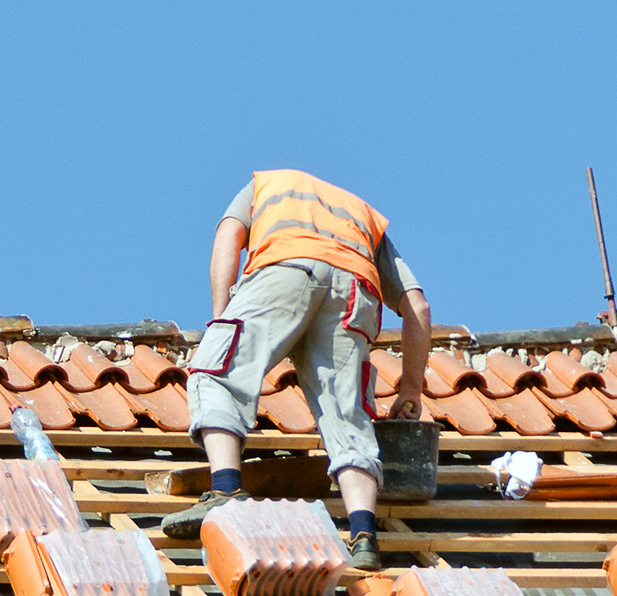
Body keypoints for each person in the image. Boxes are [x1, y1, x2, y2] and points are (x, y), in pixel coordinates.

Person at [158, 168, 435, 573]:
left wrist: (223, 324)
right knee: (347, 417)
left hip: (285, 272)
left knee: (214, 372)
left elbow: (227, 239)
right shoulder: (362, 216)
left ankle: (226, 491)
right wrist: (411, 388)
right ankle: (363, 536)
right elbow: (418, 307)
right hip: (354, 293)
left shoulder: (264, 184)